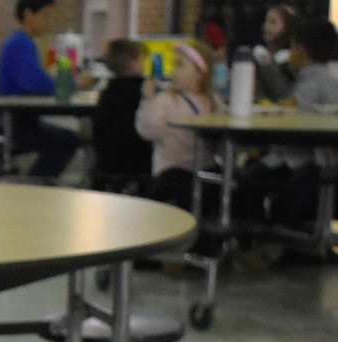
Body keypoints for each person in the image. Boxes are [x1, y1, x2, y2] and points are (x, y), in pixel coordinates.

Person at [234, 17, 338, 261]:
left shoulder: (312, 82)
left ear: (301, 49)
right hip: (313, 158)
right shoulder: (324, 79)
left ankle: (259, 242)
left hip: (300, 159)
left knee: (249, 180)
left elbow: (289, 111)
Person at [0, 0, 80, 180]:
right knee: (66, 141)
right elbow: (35, 83)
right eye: (45, 15)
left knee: (65, 139)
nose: (48, 22)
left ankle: (36, 184)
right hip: (11, 124)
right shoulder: (19, 44)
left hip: (16, 120)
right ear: (28, 15)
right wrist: (70, 85)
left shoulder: (23, 42)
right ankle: (33, 187)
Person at [134, 41, 219, 212]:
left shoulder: (212, 102)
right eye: (174, 65)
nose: (174, 71)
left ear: (199, 72)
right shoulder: (166, 100)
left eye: (180, 65)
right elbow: (148, 131)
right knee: (184, 188)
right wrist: (148, 100)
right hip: (173, 168)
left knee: (224, 183)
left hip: (204, 165)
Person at [90, 39, 152, 192]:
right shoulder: (144, 91)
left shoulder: (107, 93)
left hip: (106, 161)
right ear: (133, 62)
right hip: (139, 160)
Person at [252, 4, 302, 102]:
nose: (266, 26)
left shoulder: (291, 59)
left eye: (273, 22)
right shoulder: (261, 53)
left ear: (288, 26)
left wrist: (269, 66)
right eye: (266, 21)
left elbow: (282, 94)